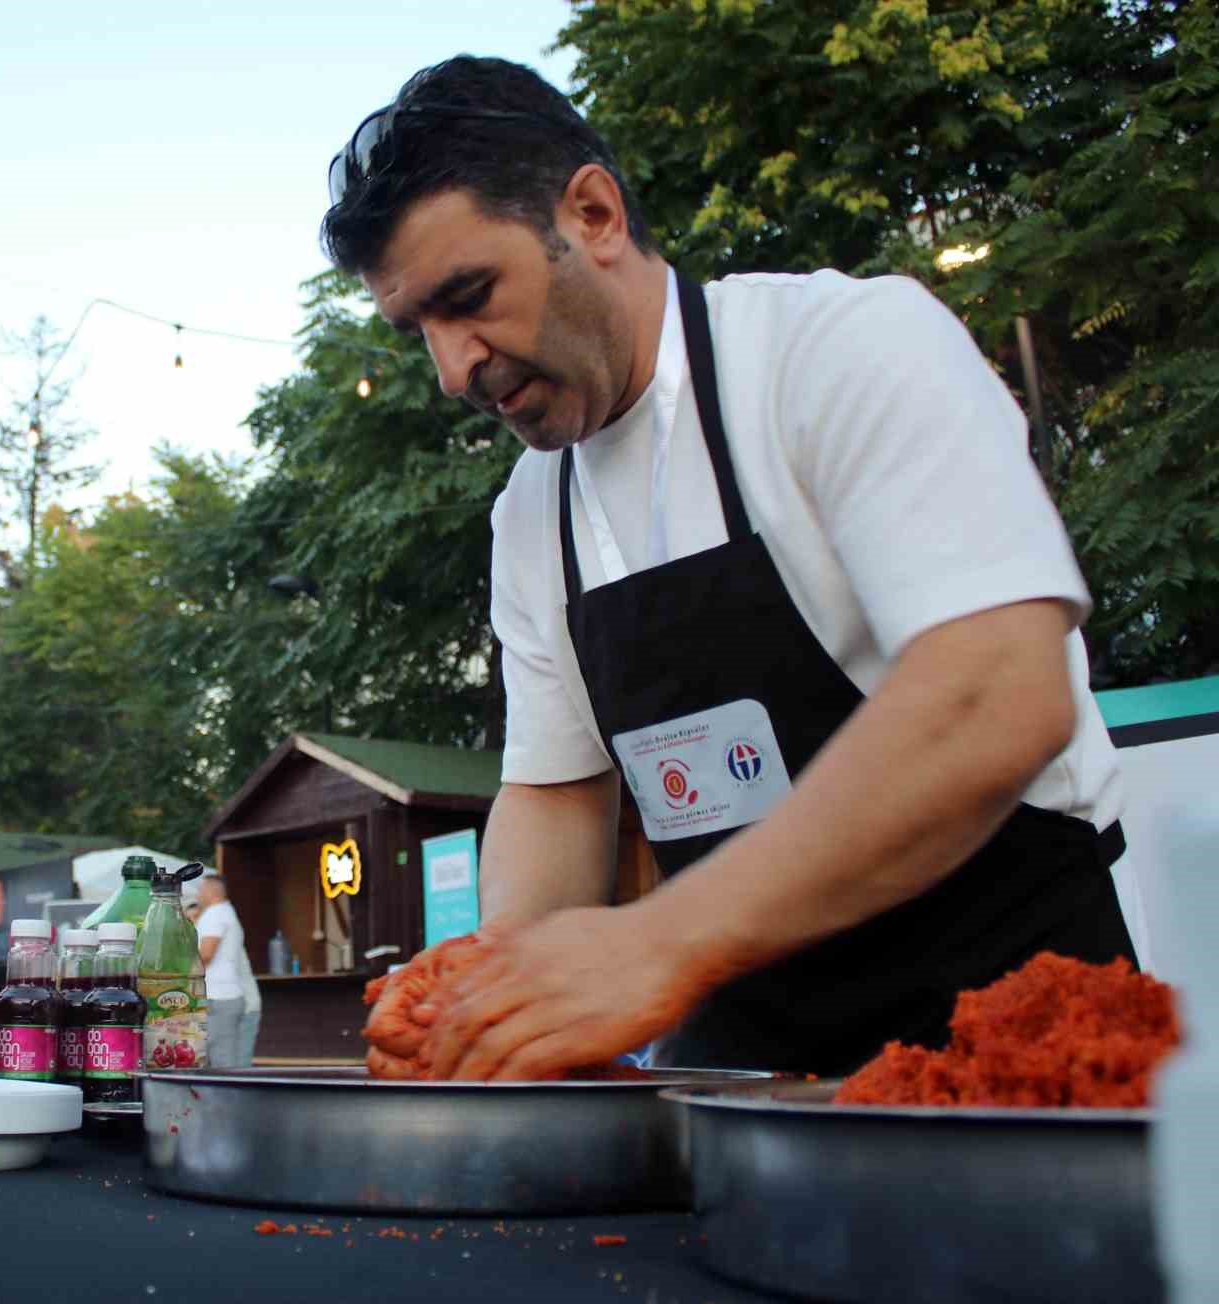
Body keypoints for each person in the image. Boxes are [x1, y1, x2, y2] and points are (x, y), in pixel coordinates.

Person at [320, 56, 1138, 1081]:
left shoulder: (838, 349)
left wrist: (659, 943)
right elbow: (558, 794)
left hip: (1010, 1014)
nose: (452, 369)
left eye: (470, 296)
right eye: (419, 333)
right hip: (746, 1048)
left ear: (594, 214)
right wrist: (488, 999)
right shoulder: (531, 516)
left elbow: (996, 694)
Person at [193, 874, 248, 1068]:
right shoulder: (224, 912)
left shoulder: (215, 913)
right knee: (215, 1060)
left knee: (221, 1063)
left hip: (219, 997)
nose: (198, 895)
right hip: (224, 996)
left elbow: (206, 954)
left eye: (200, 890)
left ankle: (227, 1098)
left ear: (211, 891)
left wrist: (178, 967)